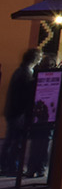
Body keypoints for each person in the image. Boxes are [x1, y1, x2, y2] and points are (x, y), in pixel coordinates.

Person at [3, 49, 40, 179]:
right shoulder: (25, 73)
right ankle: (11, 167)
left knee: (11, 140)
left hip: (13, 111)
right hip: (18, 112)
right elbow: (24, 95)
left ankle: (8, 166)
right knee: (15, 141)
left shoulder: (20, 71)